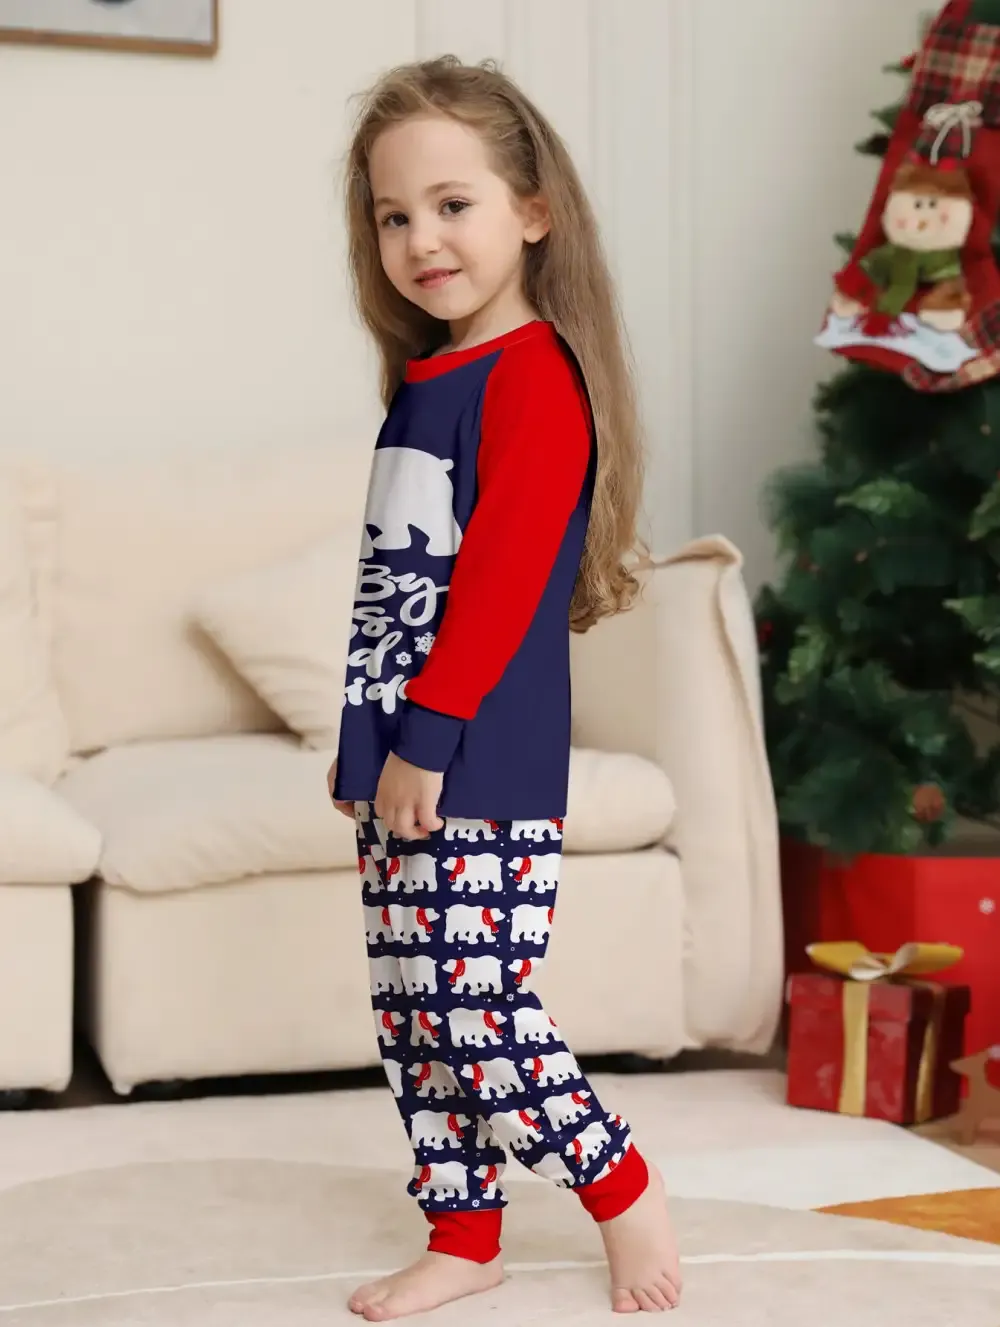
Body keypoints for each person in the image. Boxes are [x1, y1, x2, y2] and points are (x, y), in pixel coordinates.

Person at [326, 54, 681, 1320]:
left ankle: (620, 1189)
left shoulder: (532, 377)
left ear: (532, 210)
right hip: (408, 760)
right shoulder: (426, 384)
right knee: (413, 1017)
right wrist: (364, 744)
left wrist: (424, 740)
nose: (421, 240)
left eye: (452, 204)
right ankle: (463, 1233)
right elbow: (395, 595)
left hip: (481, 760)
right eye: (393, 215)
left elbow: (497, 586)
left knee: (474, 1008)